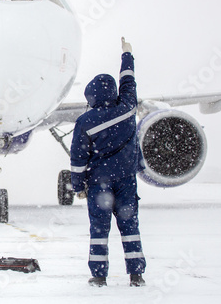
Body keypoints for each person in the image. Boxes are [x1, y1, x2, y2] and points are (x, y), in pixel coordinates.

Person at [70, 38, 146, 287]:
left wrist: (78, 186)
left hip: (99, 183)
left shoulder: (85, 121)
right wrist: (127, 55)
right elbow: (128, 81)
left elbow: (78, 158)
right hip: (126, 180)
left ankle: (99, 276)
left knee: (99, 231)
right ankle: (136, 274)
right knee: (130, 227)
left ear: (90, 95)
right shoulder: (127, 107)